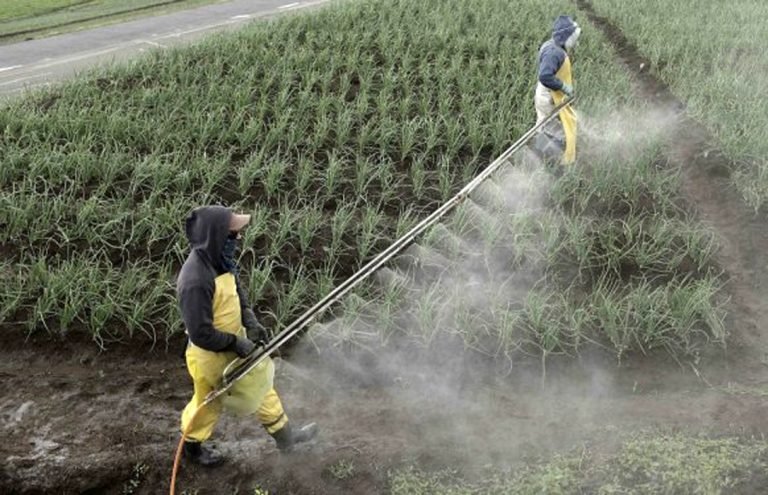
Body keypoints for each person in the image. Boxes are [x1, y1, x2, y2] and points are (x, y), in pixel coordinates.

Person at [177, 205, 317, 466]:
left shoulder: (221, 261)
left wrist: (251, 321)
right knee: (208, 404)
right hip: (211, 357)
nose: (238, 238)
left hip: (235, 345)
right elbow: (200, 333)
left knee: (263, 387)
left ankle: (286, 439)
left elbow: (238, 295)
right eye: (233, 234)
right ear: (216, 235)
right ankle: (191, 449)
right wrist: (235, 343)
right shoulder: (195, 280)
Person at [533, 15, 582, 165]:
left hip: (544, 93)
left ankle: (539, 149)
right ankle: (555, 160)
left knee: (543, 124)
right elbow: (545, 75)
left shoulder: (551, 45)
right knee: (558, 129)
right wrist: (563, 87)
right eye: (573, 38)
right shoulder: (555, 53)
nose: (574, 42)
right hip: (548, 96)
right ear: (565, 36)